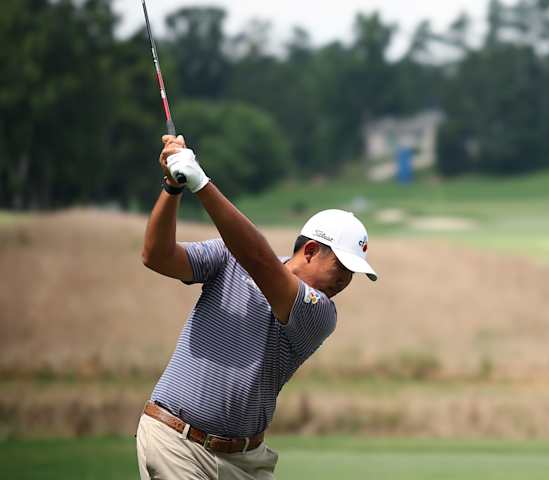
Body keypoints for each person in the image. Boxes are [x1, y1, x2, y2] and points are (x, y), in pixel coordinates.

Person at [136, 134, 378, 479]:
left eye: (352, 273)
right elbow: (157, 256)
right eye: (341, 267)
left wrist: (201, 182)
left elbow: (259, 262)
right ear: (309, 251)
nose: (345, 281)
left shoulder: (320, 313)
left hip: (245, 461)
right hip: (175, 440)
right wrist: (173, 186)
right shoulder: (226, 256)